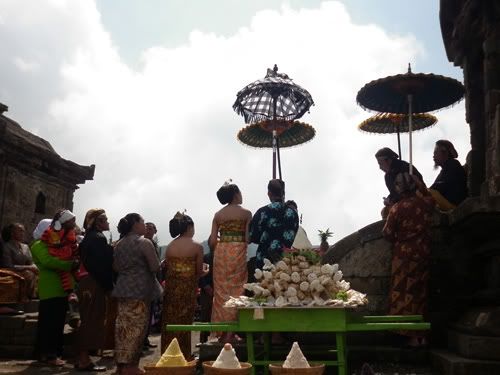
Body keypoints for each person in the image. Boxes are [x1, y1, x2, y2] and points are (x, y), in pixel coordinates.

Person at [383, 172, 434, 348]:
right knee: (420, 294)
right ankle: (421, 336)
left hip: (403, 257)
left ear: (399, 188)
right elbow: (428, 195)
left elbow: (387, 233)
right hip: (424, 254)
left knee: (403, 295)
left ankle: (408, 336)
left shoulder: (398, 208)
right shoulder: (427, 204)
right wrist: (420, 185)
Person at [113, 213, 162, 375]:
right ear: (135, 224)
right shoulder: (144, 243)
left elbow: (116, 267)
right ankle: (131, 366)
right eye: (142, 221)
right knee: (138, 328)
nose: (144, 224)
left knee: (123, 328)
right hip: (140, 290)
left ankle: (121, 365)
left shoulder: (119, 244)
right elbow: (155, 266)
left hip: (123, 288)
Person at [31, 213, 78, 366]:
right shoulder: (38, 245)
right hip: (50, 289)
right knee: (49, 324)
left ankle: (49, 354)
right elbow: (48, 261)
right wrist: (69, 264)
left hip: (61, 289)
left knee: (56, 324)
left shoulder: (62, 246)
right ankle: (49, 355)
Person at [209, 182, 252, 343]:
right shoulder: (247, 214)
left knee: (221, 293)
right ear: (235, 194)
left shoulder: (218, 215)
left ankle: (221, 333)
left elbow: (213, 241)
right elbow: (248, 238)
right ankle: (231, 333)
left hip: (221, 253)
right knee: (237, 291)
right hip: (238, 251)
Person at [161, 212, 205, 358]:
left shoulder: (170, 246)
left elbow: (168, 268)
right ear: (189, 227)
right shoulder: (197, 246)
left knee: (170, 321)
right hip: (187, 289)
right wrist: (207, 270)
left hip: (172, 288)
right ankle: (183, 354)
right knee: (185, 321)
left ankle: (167, 354)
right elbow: (198, 272)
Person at [75, 208, 114, 372]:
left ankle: (84, 358)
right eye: (104, 219)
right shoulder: (98, 238)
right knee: (91, 320)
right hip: (94, 282)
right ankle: (84, 359)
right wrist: (108, 286)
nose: (108, 222)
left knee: (88, 319)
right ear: (97, 222)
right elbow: (100, 267)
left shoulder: (89, 238)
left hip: (87, 281)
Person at [249, 179, 299, 269]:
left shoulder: (262, 212)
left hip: (264, 261)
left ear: (269, 193)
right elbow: (295, 235)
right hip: (286, 261)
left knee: (264, 282)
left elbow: (253, 236)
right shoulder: (293, 213)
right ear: (283, 193)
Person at [375, 147, 424, 218]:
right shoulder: (387, 176)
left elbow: (412, 188)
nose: (380, 167)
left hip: (415, 197)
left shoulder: (405, 168)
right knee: (385, 211)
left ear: (388, 160)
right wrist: (389, 199)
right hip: (399, 201)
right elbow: (393, 193)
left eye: (380, 164)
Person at [40, 210, 79, 292]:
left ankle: (75, 290)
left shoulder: (70, 234)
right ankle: (70, 293)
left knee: (76, 274)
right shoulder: (51, 232)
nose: (74, 224)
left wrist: (76, 255)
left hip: (68, 257)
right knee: (65, 275)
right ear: (65, 221)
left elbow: (74, 246)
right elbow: (44, 239)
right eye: (72, 221)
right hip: (58, 257)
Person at [1, 223, 38, 300]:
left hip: (25, 271)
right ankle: (25, 297)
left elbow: (30, 262)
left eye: (23, 231)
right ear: (12, 233)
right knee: (28, 274)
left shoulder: (25, 247)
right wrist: (29, 267)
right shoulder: (6, 246)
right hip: (11, 271)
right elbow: (8, 265)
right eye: (20, 231)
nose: (23, 233)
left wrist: (33, 266)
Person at [429, 140, 467, 210]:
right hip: (449, 202)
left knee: (428, 193)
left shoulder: (453, 165)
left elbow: (443, 185)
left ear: (445, 152)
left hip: (455, 205)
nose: (433, 156)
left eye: (436, 152)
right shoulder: (445, 169)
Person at [143, 221, 160, 348]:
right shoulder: (142, 243)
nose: (148, 230)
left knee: (150, 312)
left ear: (155, 231)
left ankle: (145, 338)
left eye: (150, 228)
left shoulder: (153, 244)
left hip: (152, 281)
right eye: (146, 228)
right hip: (144, 282)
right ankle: (141, 340)